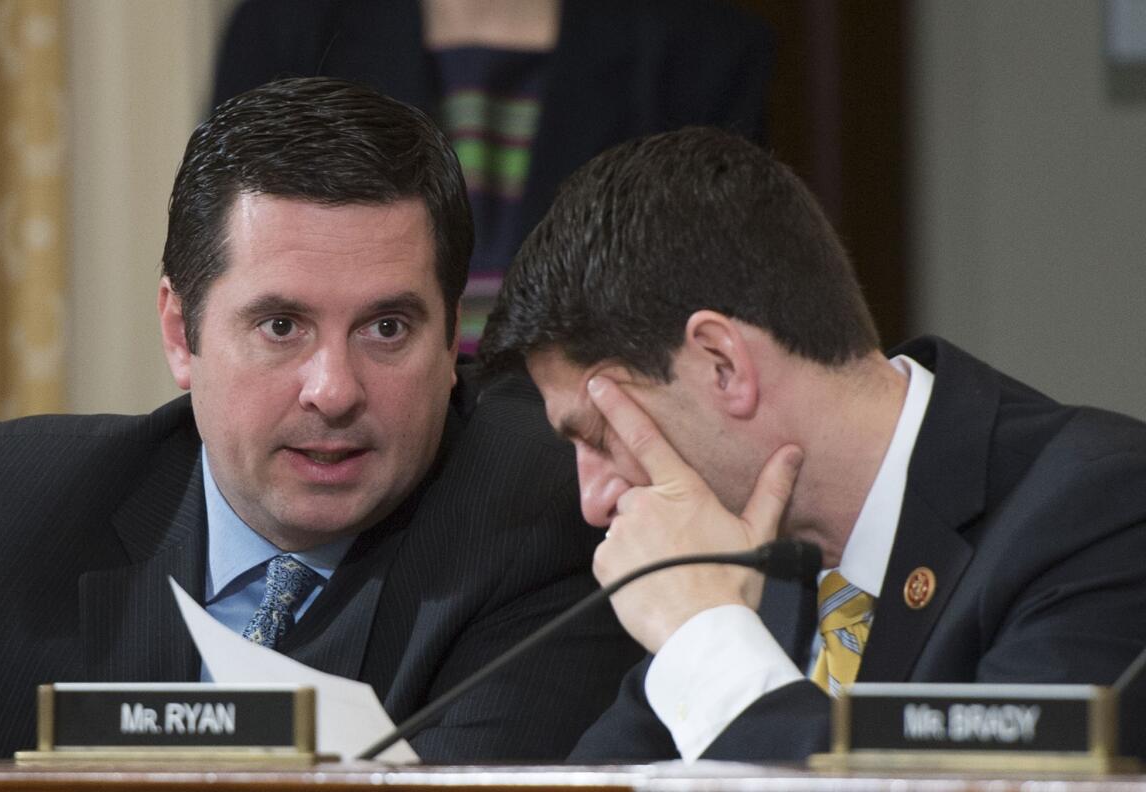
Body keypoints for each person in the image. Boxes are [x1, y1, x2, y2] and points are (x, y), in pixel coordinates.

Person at [0, 78, 640, 761]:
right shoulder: (13, 507)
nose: (333, 391)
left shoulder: (544, 519)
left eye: (387, 328)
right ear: (180, 331)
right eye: (281, 326)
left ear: (452, 338)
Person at [478, 126, 1146, 763]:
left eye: (600, 433)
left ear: (723, 365)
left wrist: (707, 640)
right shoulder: (735, 559)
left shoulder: (1102, 511)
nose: (593, 501)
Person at [212, 0, 773, 353]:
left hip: (598, 462)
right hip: (352, 445)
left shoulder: (706, 46)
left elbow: (713, 301)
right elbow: (231, 263)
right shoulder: (283, 27)